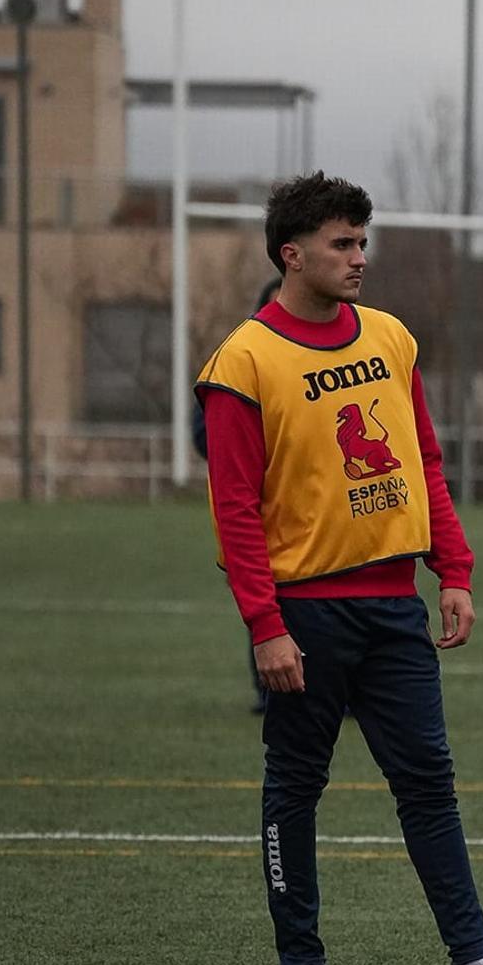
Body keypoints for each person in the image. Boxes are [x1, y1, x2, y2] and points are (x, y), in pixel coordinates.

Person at [196, 172, 483, 965]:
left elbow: (422, 463)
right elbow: (234, 512)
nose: (359, 258)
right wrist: (265, 626)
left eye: (363, 243)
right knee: (295, 788)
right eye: (342, 244)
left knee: (429, 781)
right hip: (305, 617)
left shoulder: (392, 340)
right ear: (292, 255)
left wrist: (455, 570)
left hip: (394, 607)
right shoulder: (242, 363)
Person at [193, 277, 281, 714]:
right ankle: (268, 688)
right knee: (263, 598)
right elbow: (202, 432)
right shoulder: (237, 360)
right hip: (259, 512)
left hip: (319, 518)